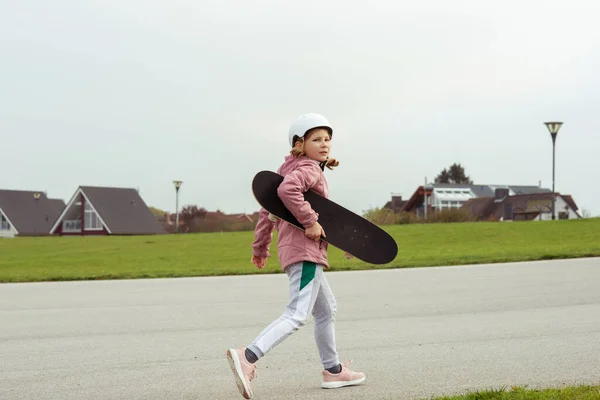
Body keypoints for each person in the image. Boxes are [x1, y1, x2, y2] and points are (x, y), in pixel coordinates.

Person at [225, 113, 366, 399]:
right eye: (317, 140)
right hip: (306, 253)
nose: (325, 144)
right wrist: (311, 221)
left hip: (294, 251)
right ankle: (248, 355)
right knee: (297, 314)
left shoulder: (289, 167)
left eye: (327, 140)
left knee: (326, 310)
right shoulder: (307, 170)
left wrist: (260, 247)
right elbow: (290, 191)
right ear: (300, 143)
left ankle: (334, 370)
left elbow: (268, 211)